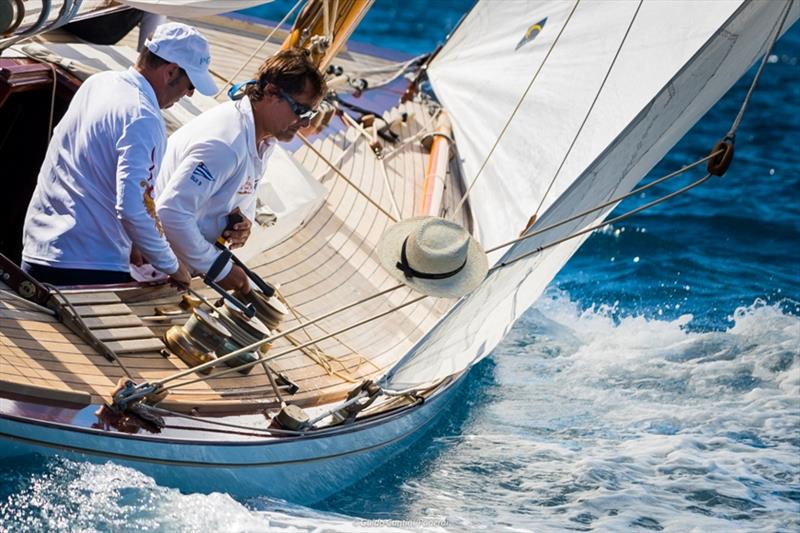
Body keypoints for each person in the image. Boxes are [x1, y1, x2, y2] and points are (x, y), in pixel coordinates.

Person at [21, 22, 218, 287]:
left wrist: (138, 242)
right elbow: (134, 209)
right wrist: (173, 267)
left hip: (37, 251)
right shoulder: (143, 117)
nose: (190, 94)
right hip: (87, 268)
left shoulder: (98, 83)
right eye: (191, 84)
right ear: (171, 72)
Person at [155, 48, 326, 293]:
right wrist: (220, 269)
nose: (306, 123)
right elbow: (170, 213)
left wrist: (243, 225)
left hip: (177, 259)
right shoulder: (226, 144)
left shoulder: (262, 139)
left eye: (312, 114)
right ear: (270, 92)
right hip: (148, 261)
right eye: (301, 111)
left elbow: (235, 196)